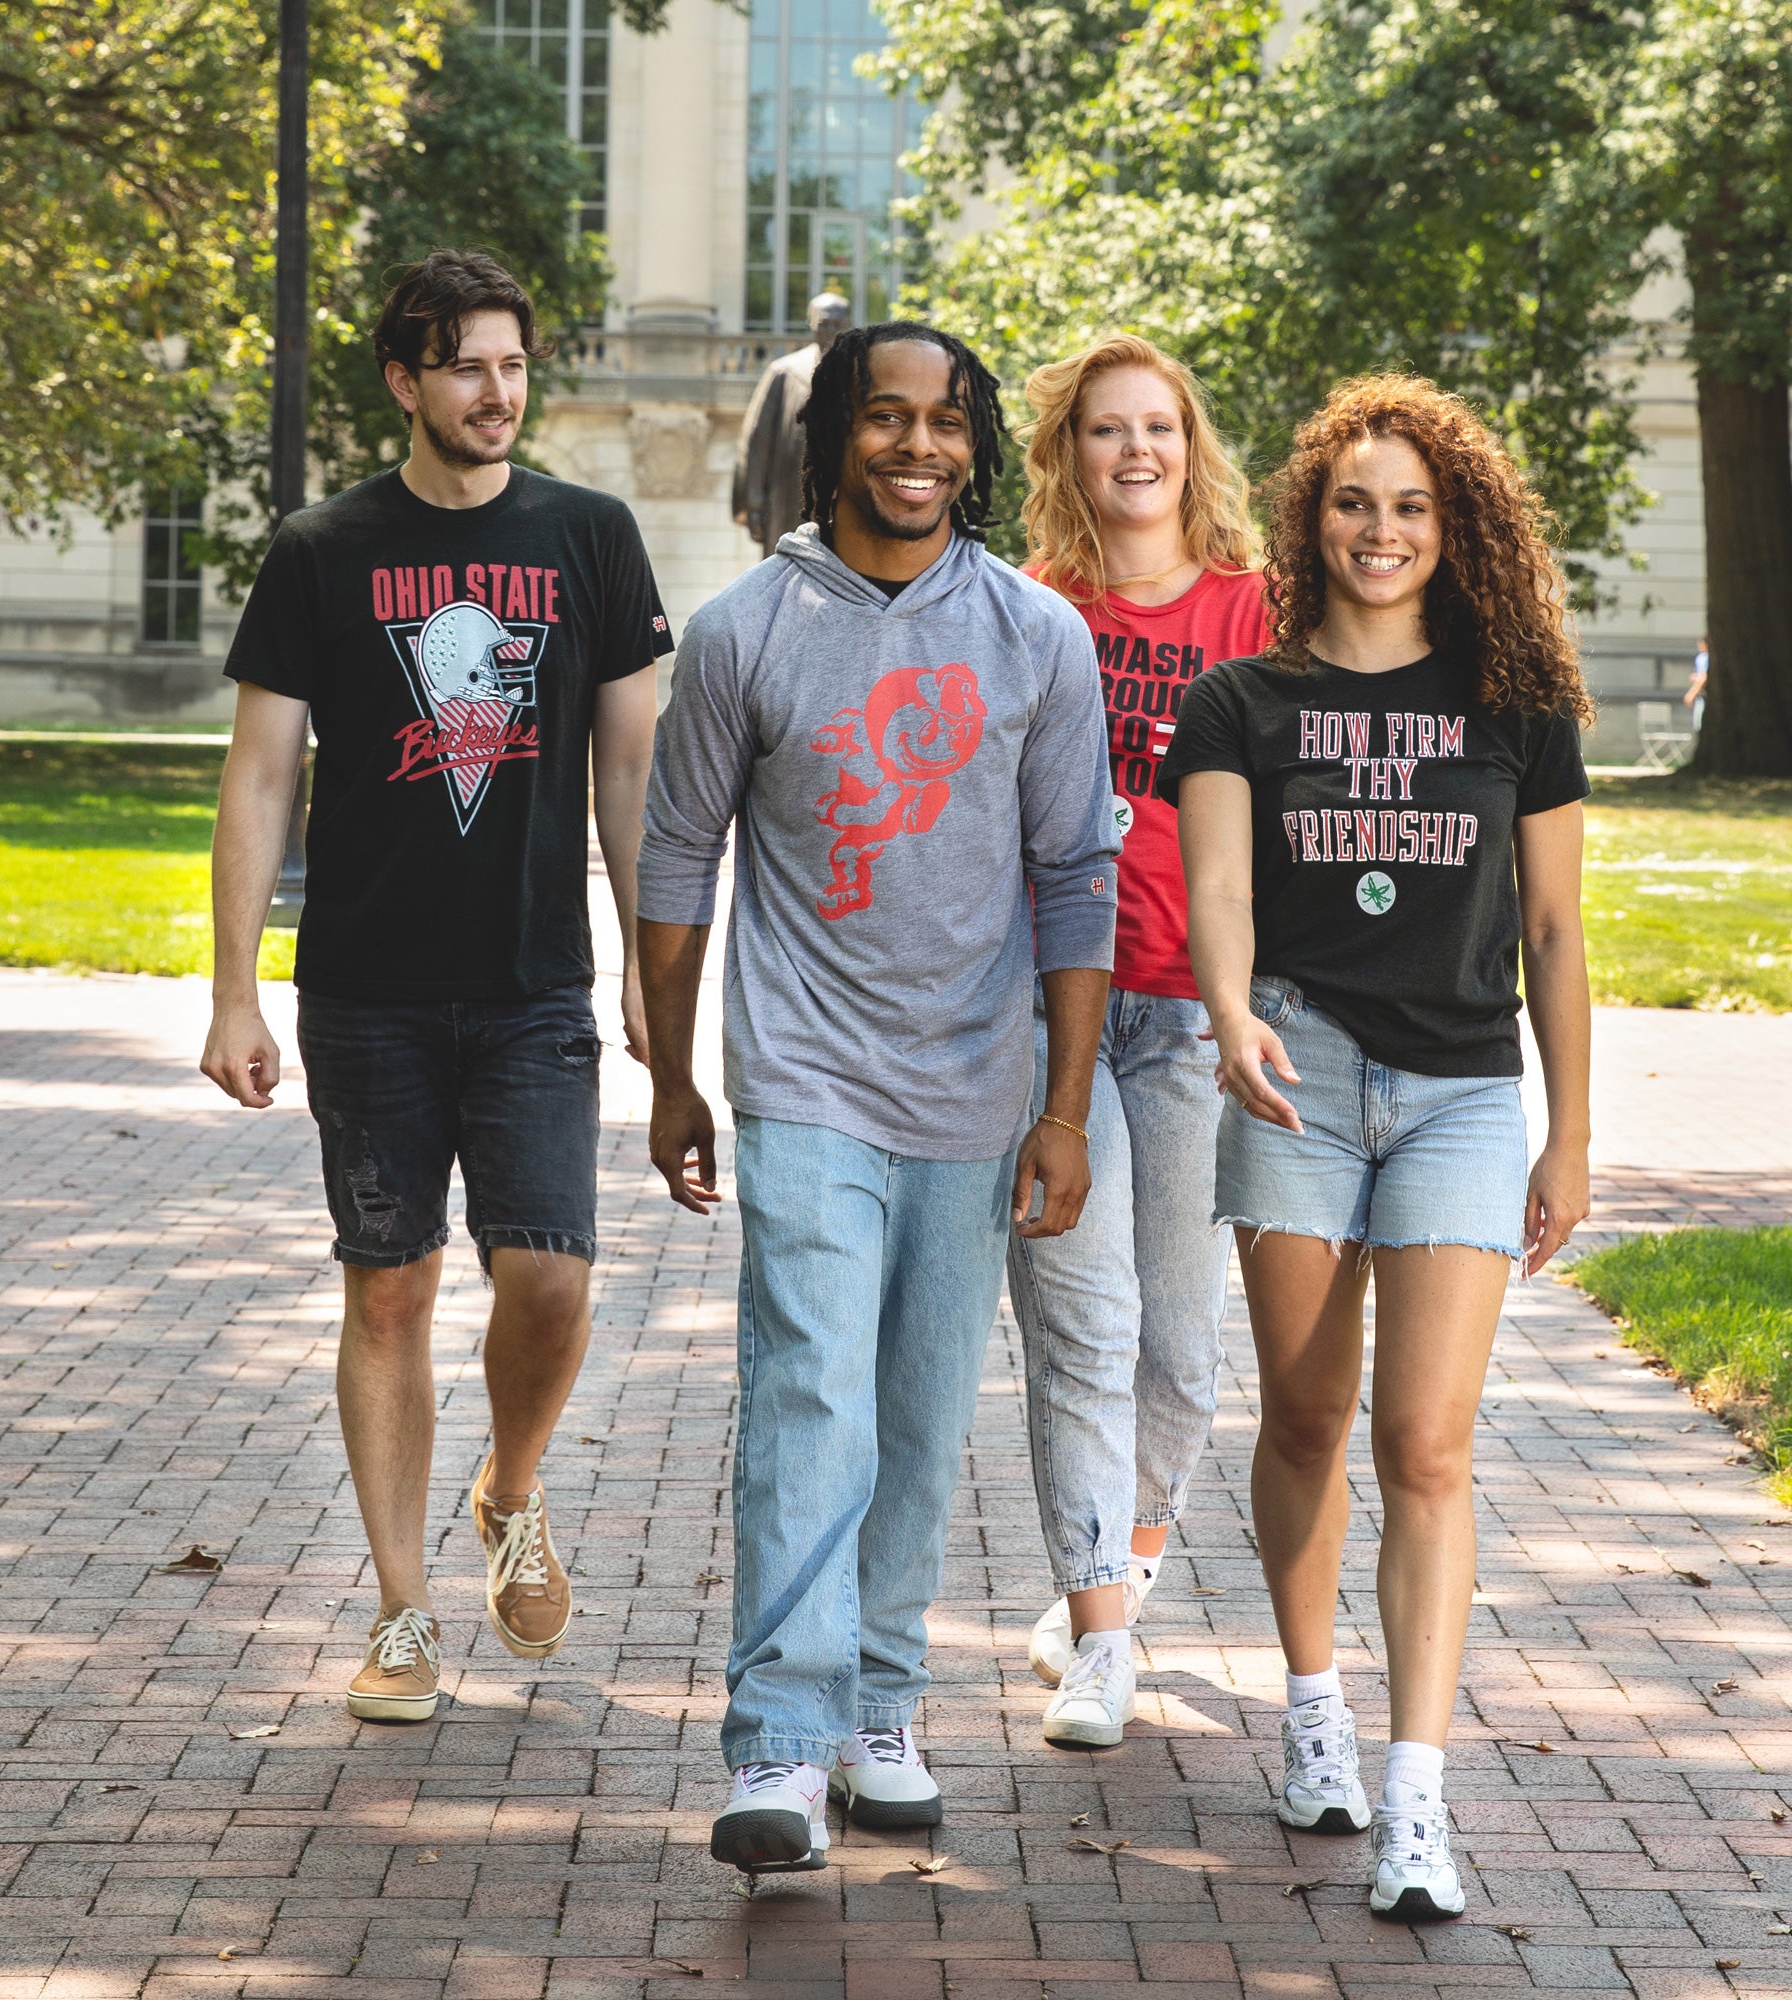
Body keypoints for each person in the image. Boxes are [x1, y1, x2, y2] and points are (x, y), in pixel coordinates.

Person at [638, 321, 1117, 1875]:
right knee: (809, 1394)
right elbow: (672, 865)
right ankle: (780, 1740)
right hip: (807, 1079)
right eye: (887, 419)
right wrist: (671, 1074)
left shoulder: (1038, 636)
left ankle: (882, 1712)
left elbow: (1073, 876)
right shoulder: (744, 632)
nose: (919, 447)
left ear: (975, 448)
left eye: (948, 424)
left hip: (978, 1092)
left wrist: (1061, 1105)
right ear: (837, 436)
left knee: (916, 1417)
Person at [199, 249, 672, 1723]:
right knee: (388, 1289)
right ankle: (402, 1612)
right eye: (465, 365)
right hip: (367, 988)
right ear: (405, 382)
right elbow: (262, 771)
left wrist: (658, 972)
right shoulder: (323, 549)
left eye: (513, 365)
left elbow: (635, 768)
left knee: (549, 1280)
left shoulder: (590, 536)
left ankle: (508, 1488)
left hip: (536, 985)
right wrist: (233, 991)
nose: (496, 391)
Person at [1158, 375, 1593, 1922]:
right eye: (1356, 503)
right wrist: (1227, 1013)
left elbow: (1552, 928)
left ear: (1451, 523)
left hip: (1465, 1093)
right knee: (1304, 1414)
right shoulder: (1241, 705)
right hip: (1300, 1071)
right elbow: (1215, 891)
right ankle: (1313, 1702)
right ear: (1313, 519)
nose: (1383, 530)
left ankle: (1418, 1795)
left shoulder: (1516, 706)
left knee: (1426, 1440)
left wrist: (1571, 1136)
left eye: (1412, 505)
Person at [1009, 334, 1267, 1749]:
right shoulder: (1034, 609)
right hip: (1055, 1015)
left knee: (1180, 1354)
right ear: (1070, 455)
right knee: (1082, 1328)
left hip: (1194, 1015)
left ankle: (1118, 1572)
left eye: (1159, 425)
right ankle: (1102, 1638)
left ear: (1190, 442)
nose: (1137, 451)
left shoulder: (1254, 612)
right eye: (1106, 430)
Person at [731, 291, 852, 554]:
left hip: (844, 502)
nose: (830, 332)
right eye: (824, 324)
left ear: (848, 326)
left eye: (837, 325)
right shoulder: (784, 373)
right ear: (810, 323)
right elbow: (757, 440)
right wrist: (753, 503)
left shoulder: (862, 376)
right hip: (787, 495)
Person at [1684, 634, 1709, 730]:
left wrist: (1691, 694)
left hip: (1703, 696)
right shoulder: (1702, 658)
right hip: (1701, 696)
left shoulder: (1704, 658)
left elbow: (1704, 677)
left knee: (1700, 726)